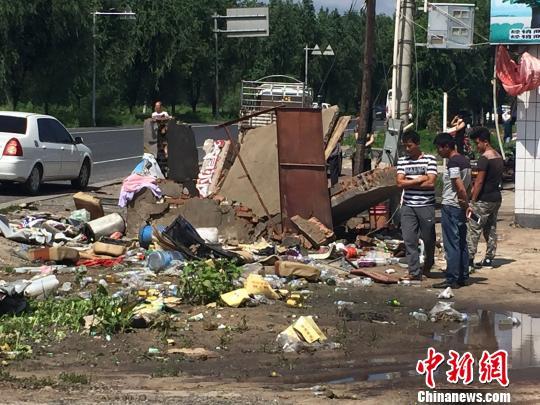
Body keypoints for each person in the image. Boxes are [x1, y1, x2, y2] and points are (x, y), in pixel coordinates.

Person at [396, 131, 438, 281]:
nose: (407, 149)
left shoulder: (430, 160)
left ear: (417, 144)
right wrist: (420, 179)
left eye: (410, 145)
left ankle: (427, 265)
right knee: (409, 239)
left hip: (425, 205)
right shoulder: (402, 161)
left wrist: (410, 181)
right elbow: (400, 182)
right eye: (405, 146)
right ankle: (414, 271)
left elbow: (431, 183)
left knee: (428, 238)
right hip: (408, 205)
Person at [432, 133, 472, 289]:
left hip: (451, 206)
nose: (438, 152)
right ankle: (462, 276)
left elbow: (459, 185)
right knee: (461, 242)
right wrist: (466, 203)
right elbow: (468, 185)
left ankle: (452, 278)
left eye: (439, 148)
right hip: (460, 207)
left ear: (446, 146)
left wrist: (463, 201)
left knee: (451, 244)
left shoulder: (453, 162)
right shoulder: (465, 161)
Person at [467, 127, 505, 269]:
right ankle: (489, 259)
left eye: (477, 143)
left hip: (483, 200)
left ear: (485, 142)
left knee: (474, 228)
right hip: (496, 198)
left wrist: (472, 200)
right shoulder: (498, 156)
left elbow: (479, 181)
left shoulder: (484, 159)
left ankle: (469, 259)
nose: (476, 147)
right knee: (491, 228)